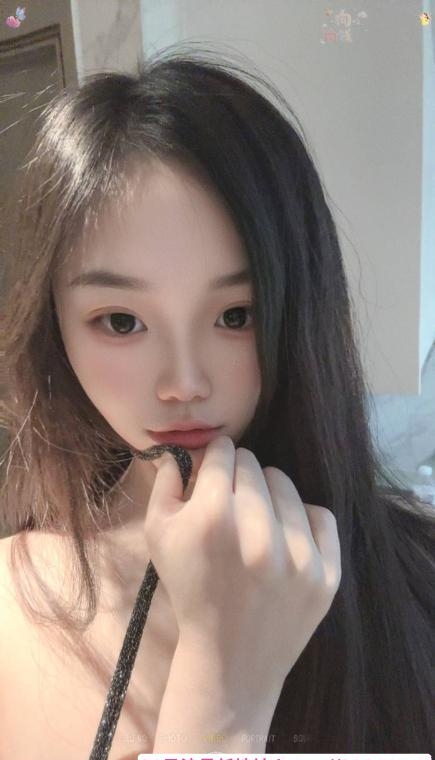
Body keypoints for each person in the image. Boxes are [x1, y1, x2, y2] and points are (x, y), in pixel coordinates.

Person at [0, 44, 434, 757]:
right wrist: (222, 695)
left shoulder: (414, 578)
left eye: (236, 315)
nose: (183, 383)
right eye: (121, 321)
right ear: (56, 330)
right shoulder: (13, 608)